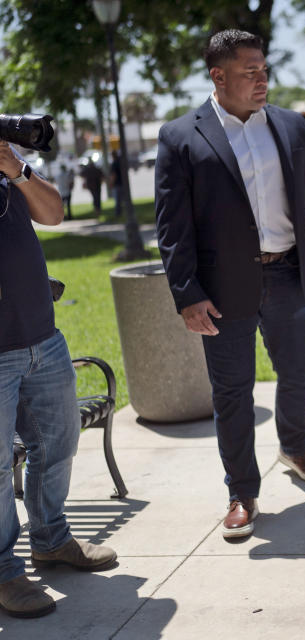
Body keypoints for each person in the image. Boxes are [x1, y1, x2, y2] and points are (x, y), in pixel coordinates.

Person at [154, 29, 305, 540]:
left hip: (289, 270)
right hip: (222, 288)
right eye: (250, 72)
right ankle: (242, 491)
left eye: (265, 70)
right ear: (218, 76)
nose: (262, 80)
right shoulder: (181, 136)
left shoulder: (292, 127)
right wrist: (187, 294)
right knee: (233, 391)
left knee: (298, 372)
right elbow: (171, 226)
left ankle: (293, 445)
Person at [0, 141, 117, 619]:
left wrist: (17, 169)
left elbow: (53, 213)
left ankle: (50, 539)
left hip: (42, 340)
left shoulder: (6, 171)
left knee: (59, 442)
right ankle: (4, 570)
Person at [53, 155, 75, 220]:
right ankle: (69, 216)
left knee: (63, 206)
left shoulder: (58, 176)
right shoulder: (67, 175)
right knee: (68, 205)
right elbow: (71, 181)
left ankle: (64, 216)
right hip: (67, 191)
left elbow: (56, 182)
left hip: (61, 192)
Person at [109, 150, 122, 217]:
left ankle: (118, 214)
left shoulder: (114, 164)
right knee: (122, 200)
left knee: (117, 200)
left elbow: (113, 175)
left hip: (117, 184)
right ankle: (121, 213)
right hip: (122, 183)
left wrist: (111, 183)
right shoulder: (120, 163)